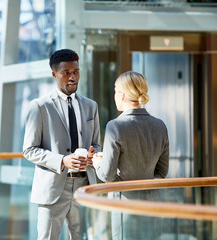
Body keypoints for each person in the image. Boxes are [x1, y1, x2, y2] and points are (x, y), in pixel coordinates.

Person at [23, 48, 101, 240]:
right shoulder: (40, 107)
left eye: (76, 72)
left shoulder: (91, 106)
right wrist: (62, 160)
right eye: (66, 73)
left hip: (85, 185)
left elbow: (96, 144)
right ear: (54, 74)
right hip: (53, 187)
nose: (72, 77)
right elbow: (29, 150)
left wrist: (94, 155)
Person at [92, 71, 169, 240]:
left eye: (115, 91)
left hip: (125, 205)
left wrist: (98, 161)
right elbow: (162, 172)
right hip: (153, 204)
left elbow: (107, 175)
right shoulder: (160, 125)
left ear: (122, 95)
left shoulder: (115, 126)